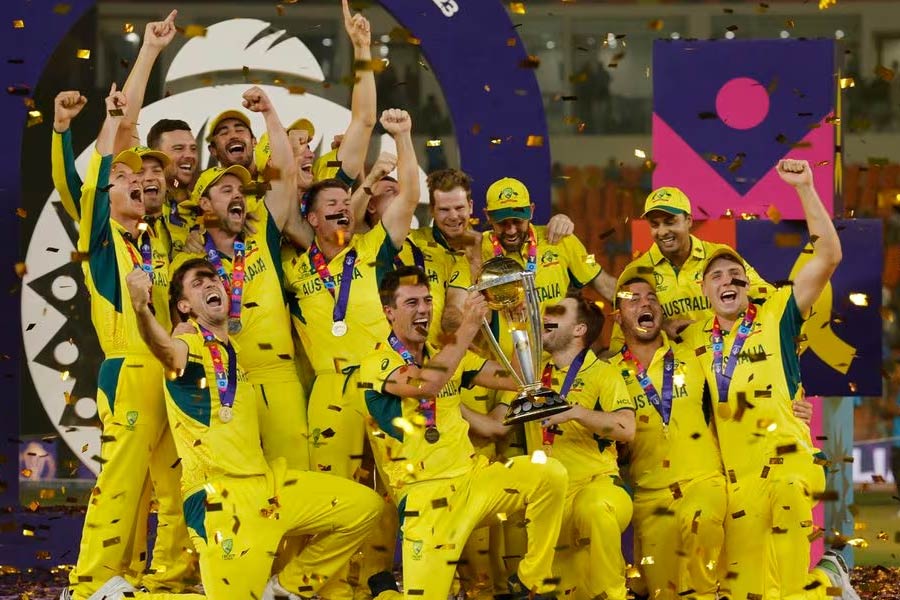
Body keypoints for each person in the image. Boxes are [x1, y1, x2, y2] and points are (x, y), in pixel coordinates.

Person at [125, 258, 382, 599]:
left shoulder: (234, 350)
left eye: (214, 278)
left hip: (268, 486)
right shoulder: (189, 343)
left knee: (365, 507)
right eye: (198, 283)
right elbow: (168, 353)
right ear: (185, 306)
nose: (211, 284)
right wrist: (142, 310)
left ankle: (286, 589)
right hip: (221, 499)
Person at [681, 159, 859, 600]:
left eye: (735, 273)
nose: (728, 278)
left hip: (789, 465)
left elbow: (829, 255)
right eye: (716, 275)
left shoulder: (778, 314)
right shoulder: (692, 340)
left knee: (785, 504)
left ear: (748, 285)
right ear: (704, 292)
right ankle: (830, 578)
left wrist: (806, 188)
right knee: (759, 592)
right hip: (737, 484)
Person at [360, 266, 568, 600]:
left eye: (427, 300)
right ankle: (385, 592)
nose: (424, 309)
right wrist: (469, 325)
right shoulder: (375, 363)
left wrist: (519, 324)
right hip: (427, 500)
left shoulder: (449, 354)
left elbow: (514, 377)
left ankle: (534, 580)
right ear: (389, 312)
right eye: (411, 302)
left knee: (549, 473)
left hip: (474, 480)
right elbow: (428, 383)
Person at [59, 84, 192, 600]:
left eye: (140, 177)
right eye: (123, 177)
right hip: (129, 369)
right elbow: (89, 184)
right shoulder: (100, 236)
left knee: (176, 484)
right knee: (122, 482)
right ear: (106, 192)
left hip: (168, 370)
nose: (135, 181)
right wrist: (101, 126)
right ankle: (90, 580)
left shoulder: (150, 238)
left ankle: (158, 579)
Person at [170, 85, 309, 471]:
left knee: (296, 477)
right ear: (204, 205)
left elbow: (283, 176)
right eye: (226, 189)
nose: (239, 197)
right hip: (226, 379)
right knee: (241, 483)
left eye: (242, 190)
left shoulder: (262, 231)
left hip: (280, 377)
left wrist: (269, 112)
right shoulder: (192, 266)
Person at [611, 267, 727, 599]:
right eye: (632, 299)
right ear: (618, 317)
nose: (644, 303)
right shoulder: (608, 372)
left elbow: (746, 378)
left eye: (651, 298)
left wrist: (794, 400)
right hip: (650, 497)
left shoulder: (692, 353)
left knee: (700, 522)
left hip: (703, 480)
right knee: (663, 592)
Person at [517, 294, 634, 600]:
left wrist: (577, 412)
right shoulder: (532, 378)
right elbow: (493, 422)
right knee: (572, 591)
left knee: (594, 508)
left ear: (580, 329)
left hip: (598, 486)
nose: (546, 315)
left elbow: (627, 428)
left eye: (556, 311)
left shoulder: (603, 373)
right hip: (553, 503)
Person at [611, 186, 770, 347]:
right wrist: (658, 326)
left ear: (689, 221)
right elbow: (622, 334)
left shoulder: (719, 256)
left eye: (670, 222)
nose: (663, 231)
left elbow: (764, 294)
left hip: (724, 358)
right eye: (655, 225)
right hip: (669, 366)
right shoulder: (635, 272)